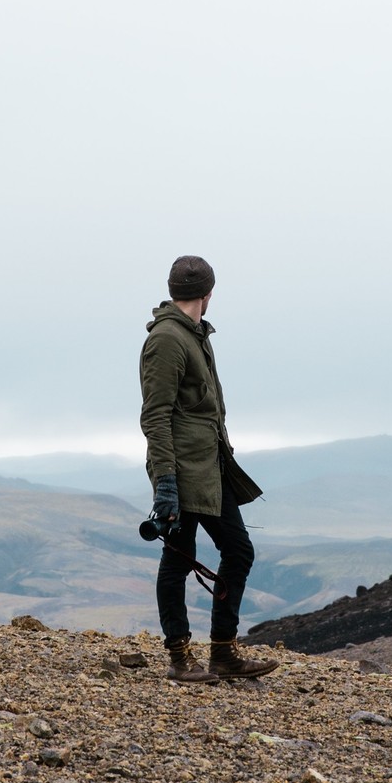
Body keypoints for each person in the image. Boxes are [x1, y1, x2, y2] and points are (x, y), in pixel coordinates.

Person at [139, 256, 280, 684]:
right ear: (209, 293)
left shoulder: (196, 335)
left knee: (238, 551)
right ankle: (180, 657)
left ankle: (223, 653)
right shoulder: (167, 340)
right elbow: (155, 416)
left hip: (211, 469)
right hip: (182, 473)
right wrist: (165, 482)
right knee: (179, 560)